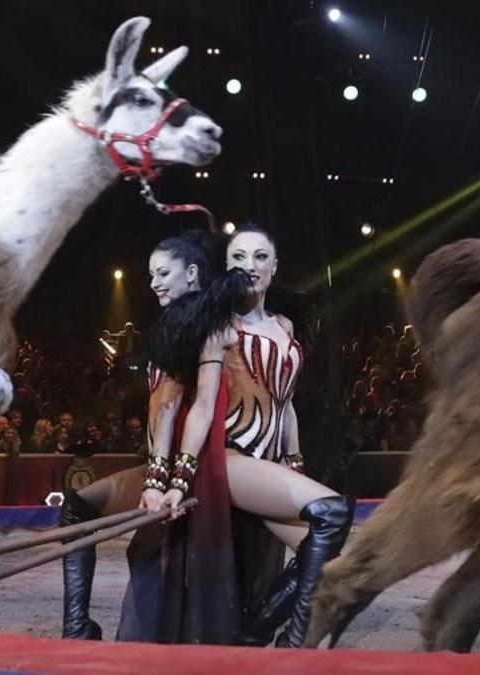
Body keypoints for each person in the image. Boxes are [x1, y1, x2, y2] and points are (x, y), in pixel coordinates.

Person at [122, 224, 354, 647]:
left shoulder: (286, 326)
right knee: (333, 512)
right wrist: (174, 479)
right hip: (229, 458)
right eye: (239, 258)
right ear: (225, 269)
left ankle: (250, 637)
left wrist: (293, 465)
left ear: (274, 266)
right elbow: (194, 406)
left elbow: (285, 406)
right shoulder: (216, 326)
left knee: (333, 557)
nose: (250, 266)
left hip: (266, 465)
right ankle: (291, 649)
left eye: (260, 257)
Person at [59, 231, 222, 639]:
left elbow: (170, 407)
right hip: (173, 462)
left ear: (192, 272)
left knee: (79, 508)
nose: (154, 283)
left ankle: (77, 629)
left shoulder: (189, 322)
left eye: (163, 273)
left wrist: (163, 480)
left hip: (183, 466)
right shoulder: (196, 318)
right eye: (151, 275)